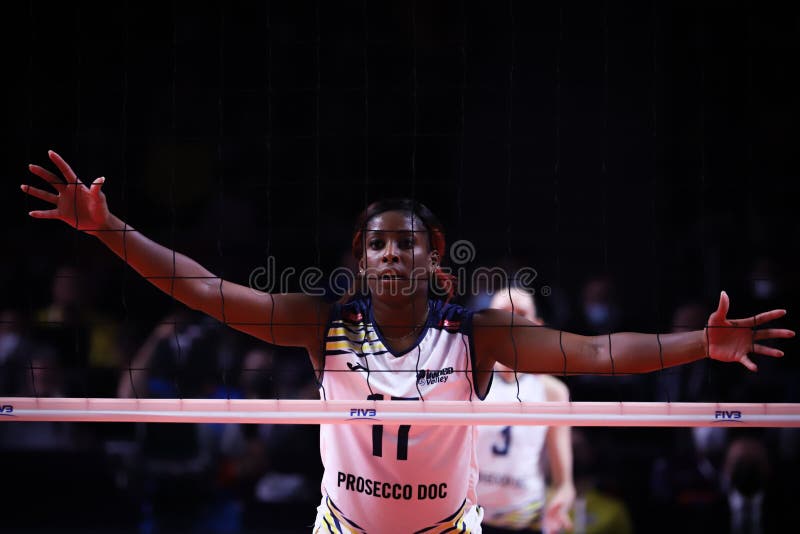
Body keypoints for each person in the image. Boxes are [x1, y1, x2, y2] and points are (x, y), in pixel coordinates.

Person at [21, 150, 794, 533]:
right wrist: (108, 229)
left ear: (435, 257)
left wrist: (703, 343)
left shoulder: (478, 335)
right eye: (377, 244)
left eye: (407, 242)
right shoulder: (321, 324)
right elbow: (200, 290)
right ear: (360, 261)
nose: (392, 253)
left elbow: (593, 355)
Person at [477, 287, 575, 533]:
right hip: (469, 516)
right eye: (504, 312)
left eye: (521, 313)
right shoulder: (464, 382)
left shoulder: (553, 392)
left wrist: (560, 501)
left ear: (537, 325)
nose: (512, 319)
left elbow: (565, 484)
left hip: (524, 518)